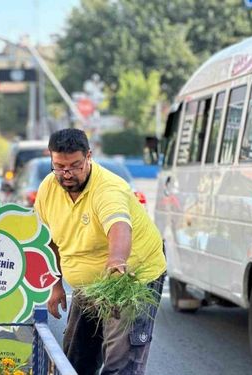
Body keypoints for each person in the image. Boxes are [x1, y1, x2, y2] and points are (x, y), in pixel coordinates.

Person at [34, 128, 166, 375]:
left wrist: (116, 262)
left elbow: (119, 227)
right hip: (90, 282)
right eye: (59, 166)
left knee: (120, 363)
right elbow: (48, 240)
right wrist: (56, 284)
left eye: (75, 165)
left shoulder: (108, 189)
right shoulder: (48, 188)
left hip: (129, 277)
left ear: (89, 156)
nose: (67, 174)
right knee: (75, 359)